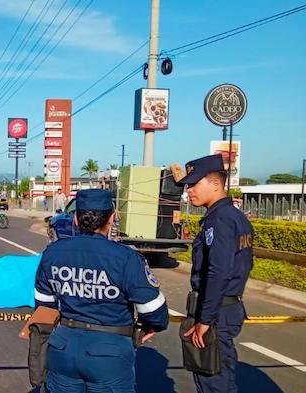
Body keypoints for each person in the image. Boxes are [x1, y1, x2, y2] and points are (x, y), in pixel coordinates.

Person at [34, 189, 169, 392]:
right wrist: (150, 327)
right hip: (110, 354)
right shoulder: (126, 258)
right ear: (111, 218)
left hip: (63, 348)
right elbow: (154, 311)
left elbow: (43, 303)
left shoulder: (53, 253)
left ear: (76, 220)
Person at [177, 154, 253, 393]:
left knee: (213, 381)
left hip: (216, 312)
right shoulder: (235, 217)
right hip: (225, 308)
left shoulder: (219, 220)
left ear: (216, 184)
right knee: (216, 378)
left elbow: (218, 272)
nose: (189, 191)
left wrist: (205, 320)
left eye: (194, 184)